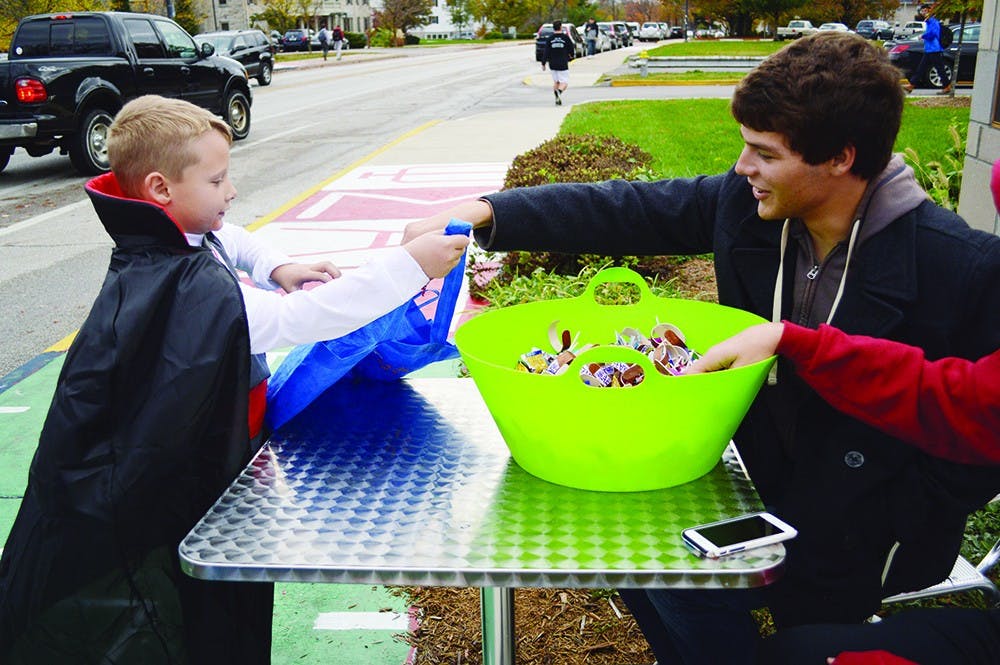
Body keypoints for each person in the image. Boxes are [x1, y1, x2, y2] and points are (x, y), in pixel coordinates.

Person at [403, 31, 1000, 664]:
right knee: (654, 576)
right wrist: (488, 213)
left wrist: (908, 507)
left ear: (840, 158)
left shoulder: (958, 266)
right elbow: (628, 209)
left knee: (806, 640)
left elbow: (983, 424)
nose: (743, 168)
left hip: (867, 521)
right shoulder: (747, 210)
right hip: (759, 482)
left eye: (763, 153)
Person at [0, 95, 468, 663]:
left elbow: (235, 238)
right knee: (191, 604)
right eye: (218, 179)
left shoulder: (178, 236)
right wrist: (410, 265)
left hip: (220, 454)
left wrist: (277, 267)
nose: (232, 191)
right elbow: (301, 320)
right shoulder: (183, 287)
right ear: (160, 189)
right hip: (178, 478)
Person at [903, 3, 951, 95]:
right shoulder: (928, 22)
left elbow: (933, 34)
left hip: (934, 49)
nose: (923, 13)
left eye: (925, 11)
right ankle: (911, 85)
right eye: (922, 11)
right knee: (921, 68)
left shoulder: (933, 22)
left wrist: (923, 36)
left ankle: (947, 86)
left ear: (930, 11)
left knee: (939, 68)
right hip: (929, 49)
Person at [542, 20, 572, 106]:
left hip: (552, 63)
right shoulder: (565, 38)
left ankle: (557, 98)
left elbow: (546, 51)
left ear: (553, 28)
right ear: (561, 27)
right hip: (562, 62)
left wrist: (543, 63)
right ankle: (559, 92)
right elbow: (571, 48)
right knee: (564, 82)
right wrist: (571, 56)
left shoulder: (550, 39)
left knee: (556, 82)